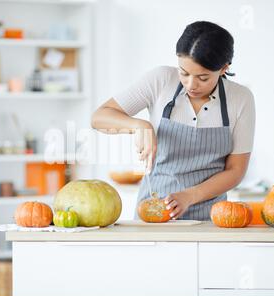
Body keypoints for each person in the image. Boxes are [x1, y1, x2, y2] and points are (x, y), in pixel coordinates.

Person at [91, 21, 255, 221]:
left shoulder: (240, 98)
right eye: (184, 73)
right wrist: (140, 125)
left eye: (202, 78)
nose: (190, 85)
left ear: (223, 69)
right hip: (154, 213)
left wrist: (190, 196)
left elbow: (235, 171)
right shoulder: (161, 80)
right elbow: (99, 117)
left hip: (212, 218)